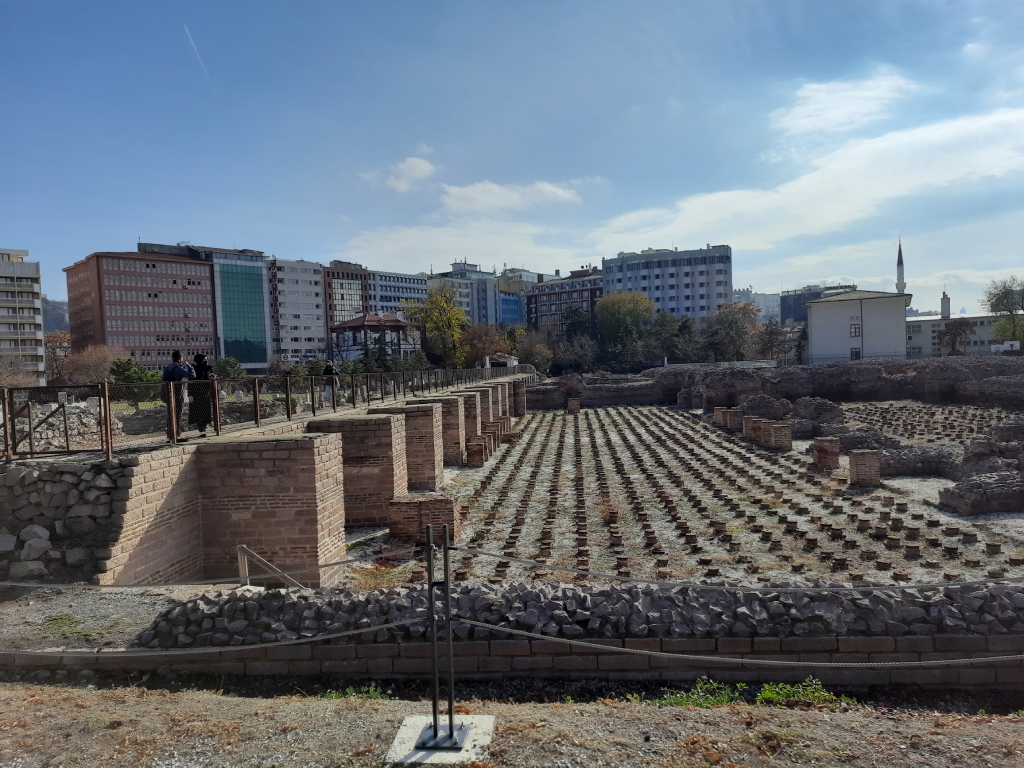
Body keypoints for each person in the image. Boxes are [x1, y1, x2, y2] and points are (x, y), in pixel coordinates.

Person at [162, 350, 195, 442]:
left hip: (168, 393)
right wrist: (189, 366)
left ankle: (170, 434)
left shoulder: (168, 367)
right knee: (177, 413)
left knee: (170, 413)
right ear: (180, 358)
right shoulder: (179, 368)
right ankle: (176, 434)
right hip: (177, 393)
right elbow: (192, 375)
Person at [189, 353, 216, 437]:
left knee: (206, 411)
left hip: (206, 393)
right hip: (196, 394)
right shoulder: (194, 368)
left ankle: (204, 427)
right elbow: (190, 382)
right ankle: (201, 428)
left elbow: (212, 375)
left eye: (206, 360)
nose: (205, 361)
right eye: (204, 360)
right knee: (198, 412)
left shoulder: (208, 367)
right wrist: (190, 395)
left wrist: (213, 377)